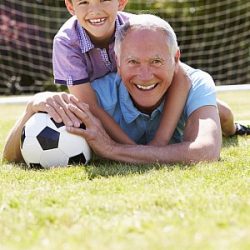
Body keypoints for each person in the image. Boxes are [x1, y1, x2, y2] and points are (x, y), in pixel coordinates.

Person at [3, 14, 222, 164]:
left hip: (196, 91)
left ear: (175, 59)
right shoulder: (96, 97)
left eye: (156, 61)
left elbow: (206, 151)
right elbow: (10, 156)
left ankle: (228, 121)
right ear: (117, 62)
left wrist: (112, 149)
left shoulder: (195, 82)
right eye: (133, 62)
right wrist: (32, 108)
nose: (145, 75)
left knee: (224, 117)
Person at [52, 0, 191, 146]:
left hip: (146, 92)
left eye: (104, 0)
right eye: (84, 2)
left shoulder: (135, 29)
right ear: (70, 6)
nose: (95, 10)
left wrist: (159, 141)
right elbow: (89, 105)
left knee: (202, 97)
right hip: (110, 105)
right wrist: (132, 149)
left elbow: (181, 76)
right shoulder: (66, 42)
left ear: (121, 2)